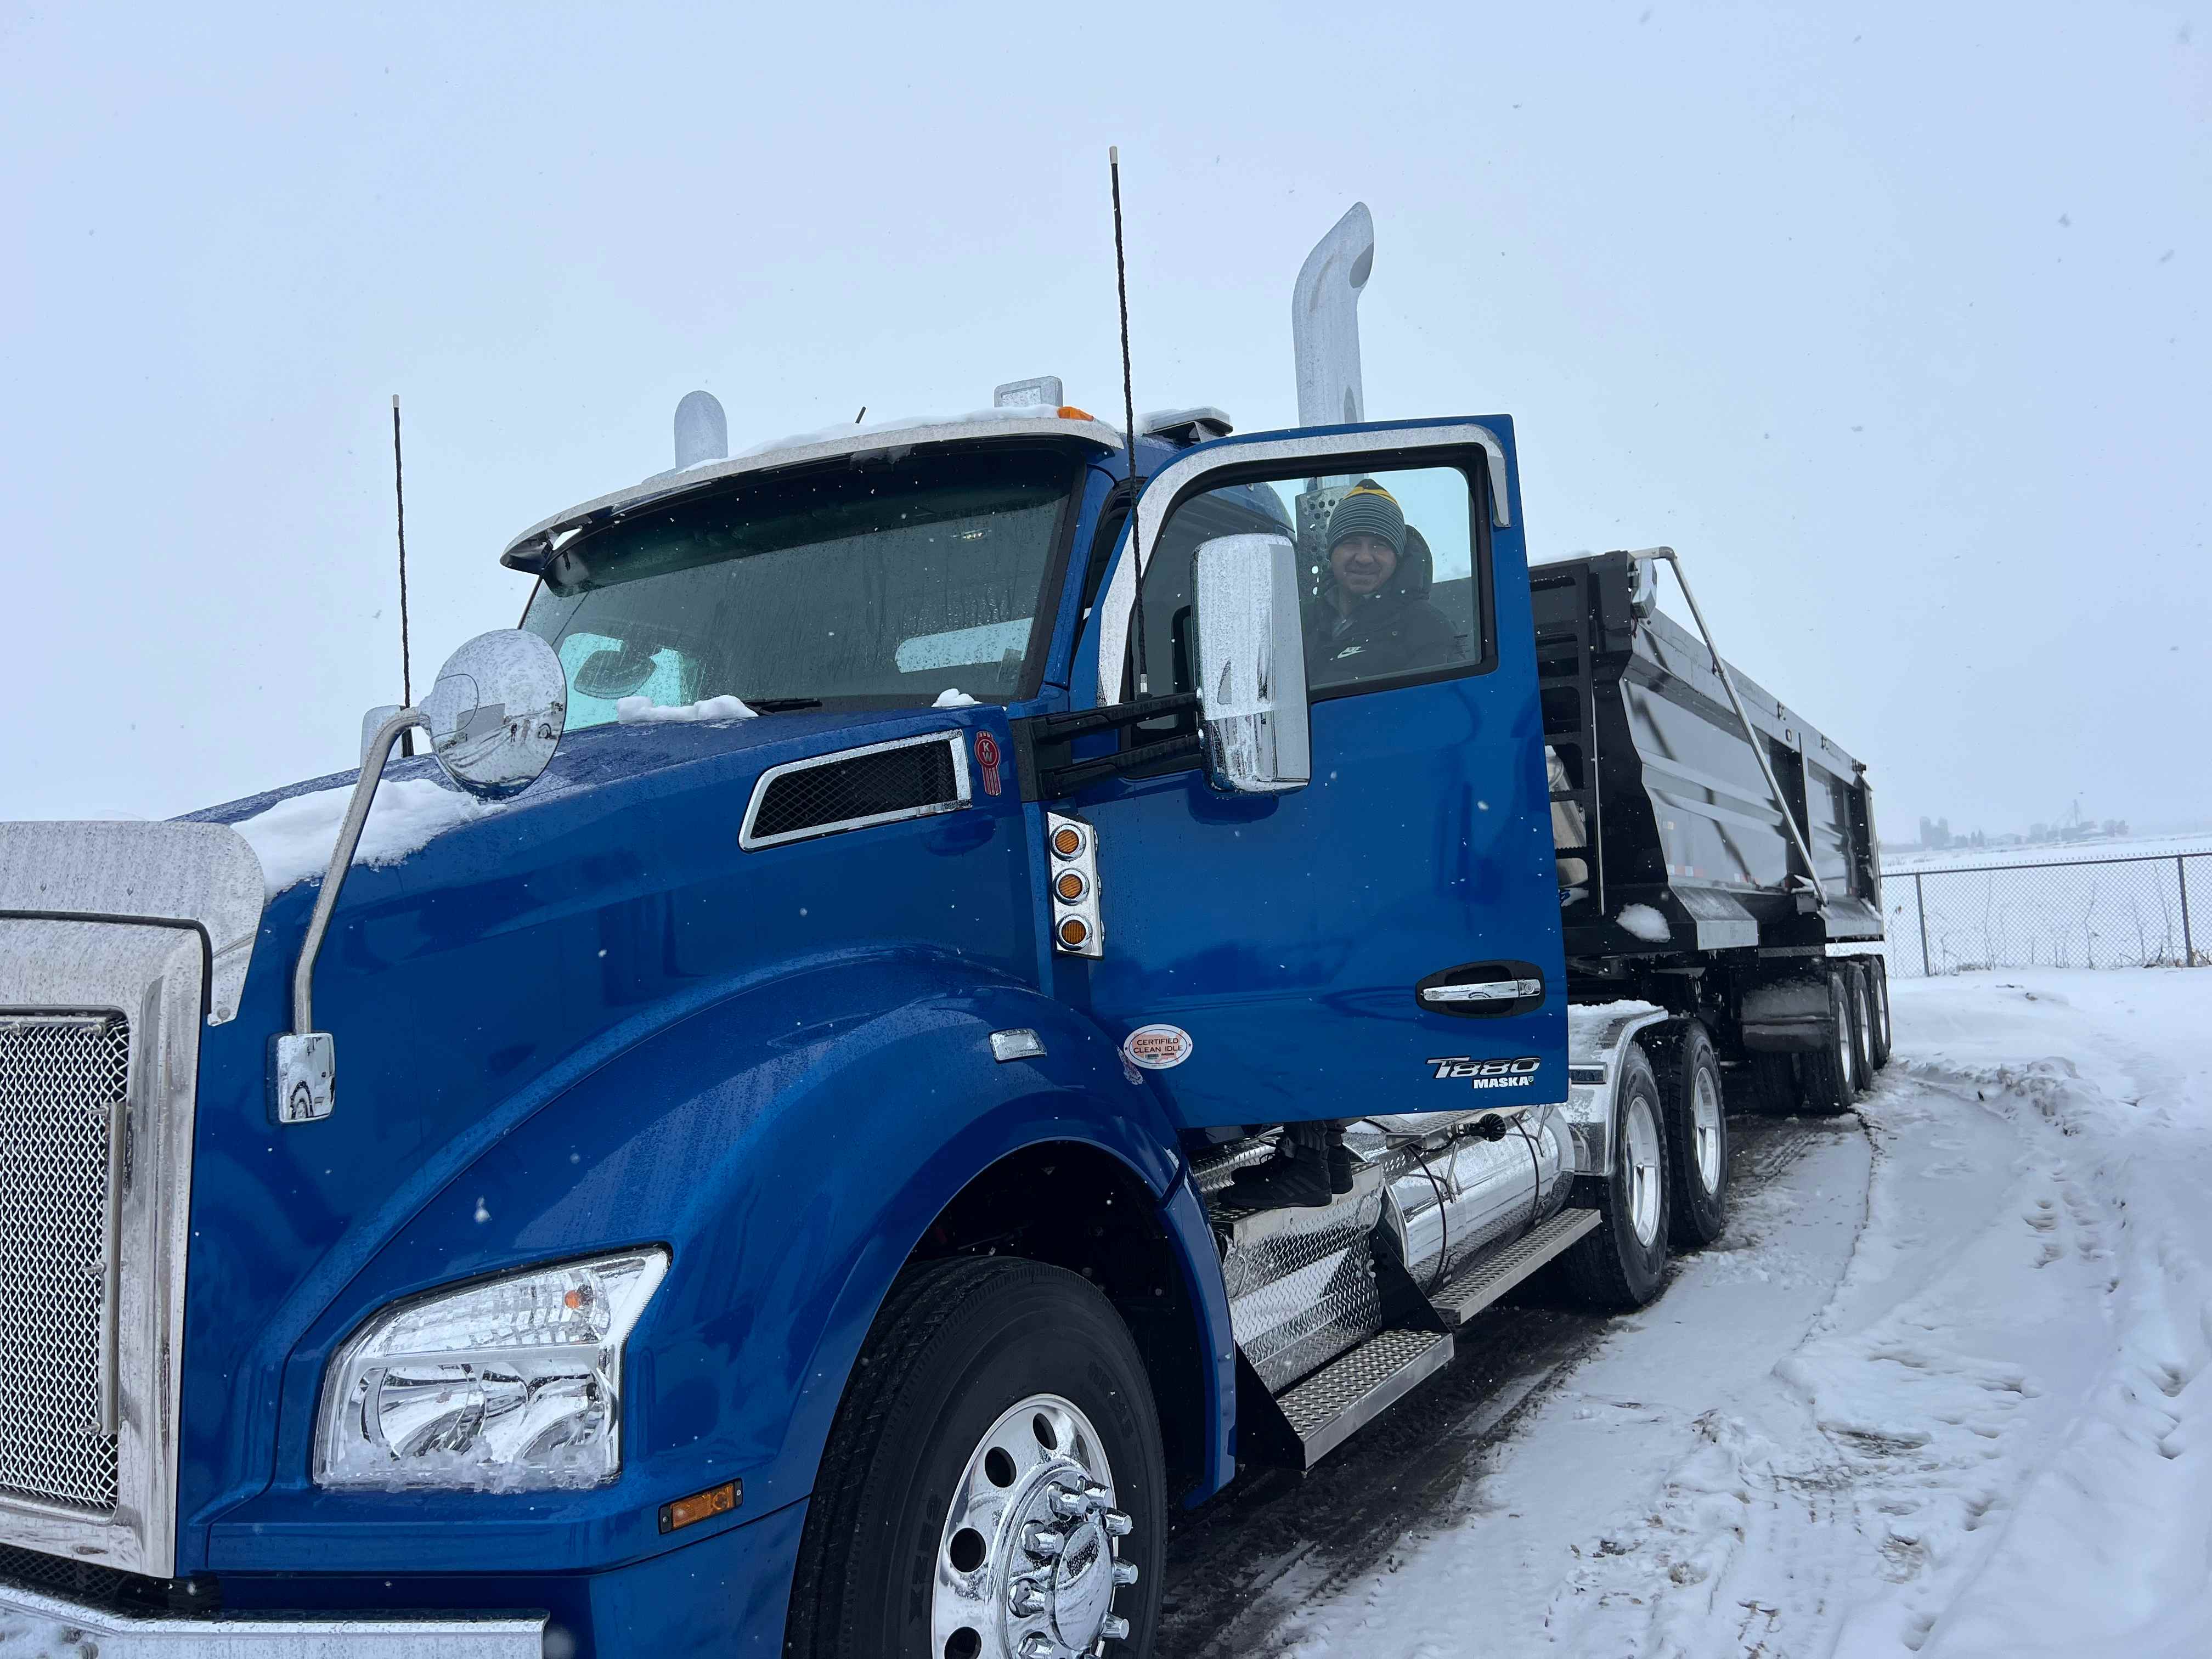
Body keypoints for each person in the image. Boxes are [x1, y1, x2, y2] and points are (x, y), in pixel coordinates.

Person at [1303, 480, 1459, 684]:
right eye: (1351, 543)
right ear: (1331, 552)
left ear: (1398, 557)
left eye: (1380, 545)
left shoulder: (1426, 628)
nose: (1364, 558)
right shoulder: (1302, 622)